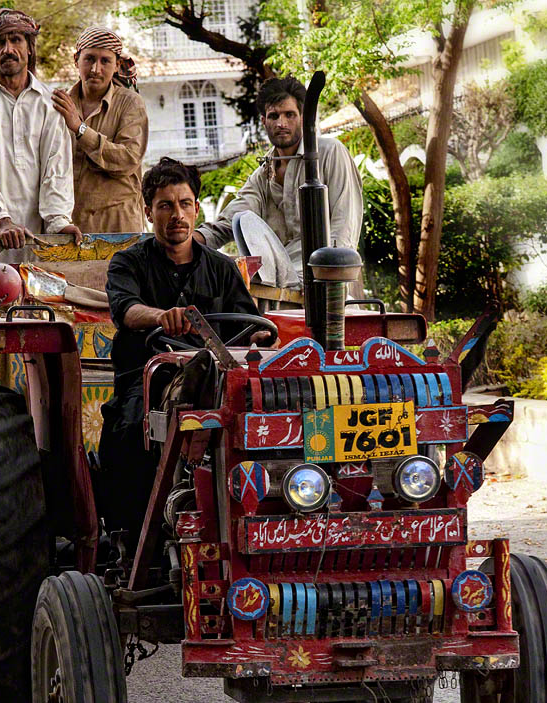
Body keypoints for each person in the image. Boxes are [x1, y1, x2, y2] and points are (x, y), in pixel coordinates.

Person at [100, 157, 265, 548]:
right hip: (149, 377)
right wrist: (162, 317)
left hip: (217, 379)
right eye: (166, 205)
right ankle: (133, 537)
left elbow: (250, 325)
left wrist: (259, 340)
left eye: (185, 203)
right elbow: (125, 309)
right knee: (128, 431)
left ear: (197, 207)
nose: (177, 215)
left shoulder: (223, 269)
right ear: (147, 212)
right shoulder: (128, 262)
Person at [0, 26, 148, 233]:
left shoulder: (130, 104)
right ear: (76, 61)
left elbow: (128, 159)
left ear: (117, 64)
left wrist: (79, 129)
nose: (95, 69)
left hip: (119, 223)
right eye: (89, 59)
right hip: (73, 226)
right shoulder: (57, 103)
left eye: (105, 61)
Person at [194, 75, 363, 277]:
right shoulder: (263, 174)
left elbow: (344, 227)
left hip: (324, 279)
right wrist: (192, 239)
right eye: (274, 116)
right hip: (281, 282)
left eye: (289, 115)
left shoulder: (330, 152)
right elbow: (232, 218)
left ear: (302, 117)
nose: (281, 123)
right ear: (264, 121)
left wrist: (329, 275)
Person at [0, 8, 82, 266]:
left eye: (16, 40)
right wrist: (1, 221)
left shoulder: (49, 104)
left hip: (36, 237)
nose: (7, 49)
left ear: (29, 48)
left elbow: (56, 170)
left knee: (37, 302)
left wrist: (58, 222)